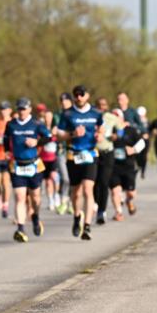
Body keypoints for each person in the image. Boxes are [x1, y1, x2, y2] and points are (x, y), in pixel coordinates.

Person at [57, 85, 103, 241]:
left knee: (87, 189)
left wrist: (100, 135)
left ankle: (87, 226)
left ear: (87, 96)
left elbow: (102, 128)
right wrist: (72, 134)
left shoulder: (96, 113)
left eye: (82, 94)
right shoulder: (68, 114)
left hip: (90, 154)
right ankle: (77, 218)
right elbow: (59, 135)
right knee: (76, 192)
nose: (79, 97)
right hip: (73, 155)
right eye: (76, 95)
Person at [4, 97, 53, 242]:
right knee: (19, 197)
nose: (21, 111)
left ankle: (36, 217)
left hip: (34, 165)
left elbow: (49, 137)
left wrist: (37, 142)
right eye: (19, 109)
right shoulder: (11, 124)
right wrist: (7, 151)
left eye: (24, 109)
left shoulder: (36, 123)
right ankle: (20, 228)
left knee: (35, 198)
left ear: (30, 109)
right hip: (18, 165)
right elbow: (6, 138)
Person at [108, 108, 144, 220]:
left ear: (121, 118)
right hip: (113, 166)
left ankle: (128, 201)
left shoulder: (130, 130)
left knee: (131, 193)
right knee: (115, 191)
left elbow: (141, 143)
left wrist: (133, 150)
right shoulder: (108, 131)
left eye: (116, 117)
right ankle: (118, 212)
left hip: (128, 166)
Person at [93, 97, 117, 225]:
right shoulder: (91, 117)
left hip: (108, 152)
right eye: (99, 105)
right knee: (93, 182)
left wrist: (116, 135)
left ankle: (101, 211)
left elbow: (121, 130)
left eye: (104, 104)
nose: (101, 107)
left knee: (103, 182)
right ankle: (96, 203)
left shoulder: (112, 118)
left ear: (107, 106)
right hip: (94, 153)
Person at [36, 103, 60, 212]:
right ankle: (50, 200)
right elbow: (39, 141)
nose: (47, 119)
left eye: (49, 117)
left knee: (54, 176)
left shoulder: (56, 129)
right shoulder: (41, 129)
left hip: (54, 157)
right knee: (48, 181)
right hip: (43, 158)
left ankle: (56, 195)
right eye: (46, 117)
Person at [136, 105, 150, 179]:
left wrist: (148, 135)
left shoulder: (147, 121)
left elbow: (150, 131)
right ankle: (138, 166)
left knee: (144, 156)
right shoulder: (136, 122)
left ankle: (143, 172)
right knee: (138, 156)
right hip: (138, 141)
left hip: (146, 141)